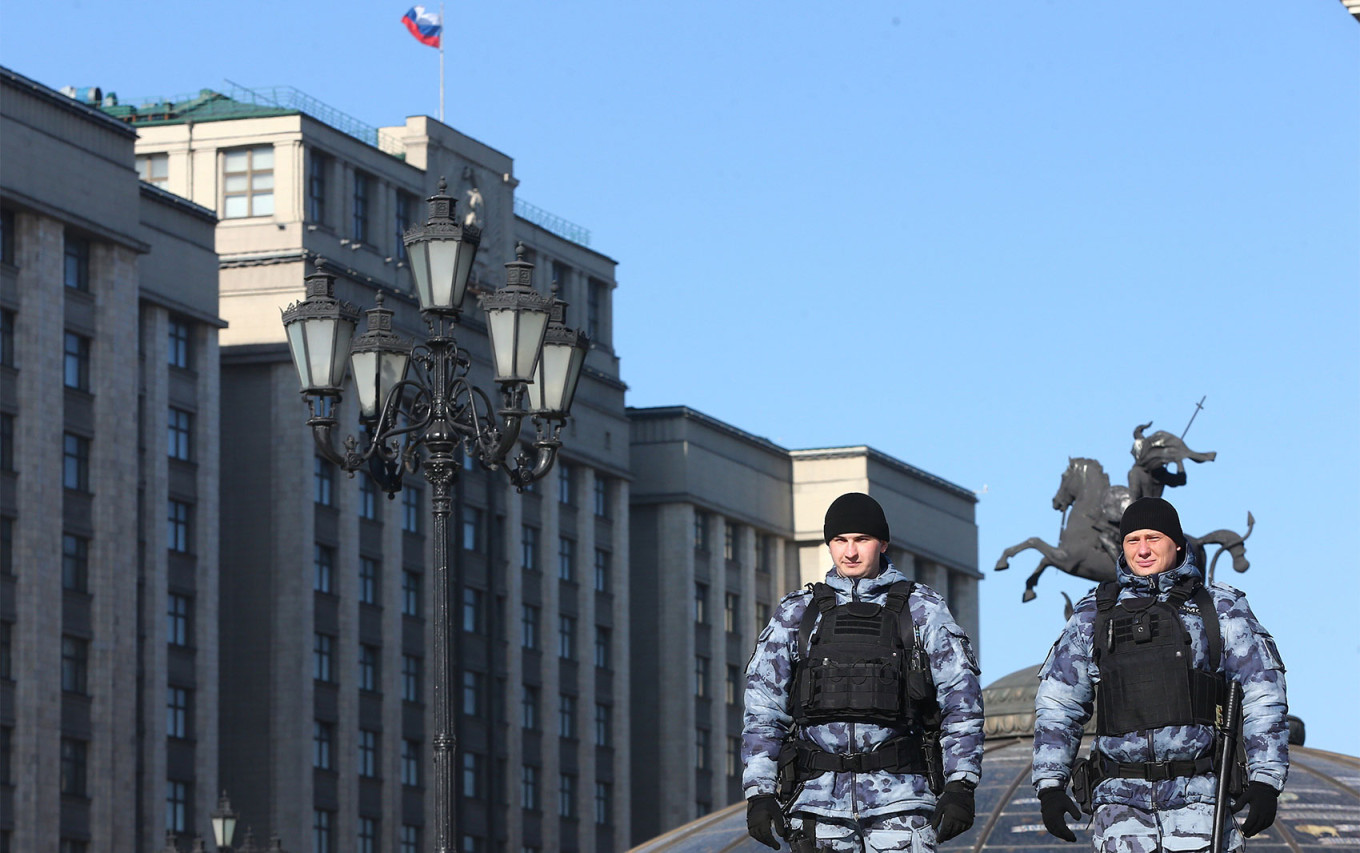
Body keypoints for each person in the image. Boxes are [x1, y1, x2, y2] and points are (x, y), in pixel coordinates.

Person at [1033, 497, 1289, 852]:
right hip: (1119, 809)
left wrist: (1266, 781)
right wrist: (1050, 785)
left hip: (1201, 804)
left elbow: (1263, 693)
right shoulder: (1093, 613)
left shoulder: (1218, 606)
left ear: (1177, 543)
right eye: (1133, 540)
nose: (1143, 550)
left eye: (1153, 538)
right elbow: (1058, 703)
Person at [743, 492, 984, 852]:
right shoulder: (798, 613)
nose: (850, 552)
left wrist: (961, 784)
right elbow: (763, 709)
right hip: (817, 812)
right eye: (839, 541)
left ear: (882, 543)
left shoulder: (921, 610)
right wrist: (759, 793)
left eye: (861, 540)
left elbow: (961, 701)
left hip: (902, 807)